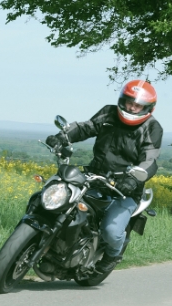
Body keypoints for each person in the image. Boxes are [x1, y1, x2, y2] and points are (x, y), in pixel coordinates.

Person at [45, 79, 163, 273]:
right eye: (129, 102)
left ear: (147, 108)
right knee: (58, 201)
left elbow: (150, 159)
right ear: (122, 100)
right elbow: (86, 127)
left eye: (138, 105)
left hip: (125, 189)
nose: (132, 108)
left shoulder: (152, 127)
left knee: (111, 231)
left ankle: (112, 256)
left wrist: (133, 179)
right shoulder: (109, 113)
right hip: (94, 177)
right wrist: (62, 137)